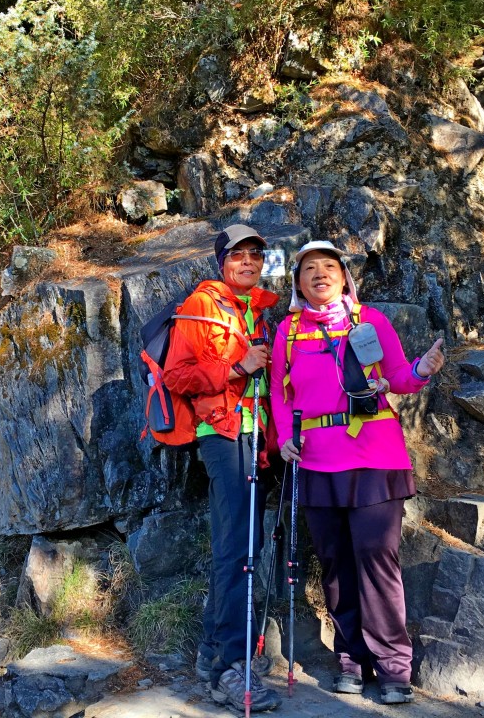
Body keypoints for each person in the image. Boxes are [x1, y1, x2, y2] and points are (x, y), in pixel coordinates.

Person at [268, 240, 445, 705]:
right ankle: (350, 659)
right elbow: (280, 398)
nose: (319, 274)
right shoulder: (287, 331)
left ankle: (392, 668)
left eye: (329, 266)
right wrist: (285, 437)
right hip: (315, 462)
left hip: (374, 458)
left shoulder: (370, 322)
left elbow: (400, 378)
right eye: (309, 269)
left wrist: (422, 369)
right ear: (298, 281)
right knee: (334, 566)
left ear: (344, 276)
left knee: (376, 561)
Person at [163, 224, 282, 712]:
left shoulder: (262, 310)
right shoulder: (201, 307)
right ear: (221, 262)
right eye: (238, 254)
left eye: (255, 254)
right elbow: (176, 374)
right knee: (237, 549)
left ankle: (213, 651)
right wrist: (236, 368)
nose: (248, 261)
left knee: (243, 544)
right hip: (224, 436)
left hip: (258, 440)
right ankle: (230, 669)